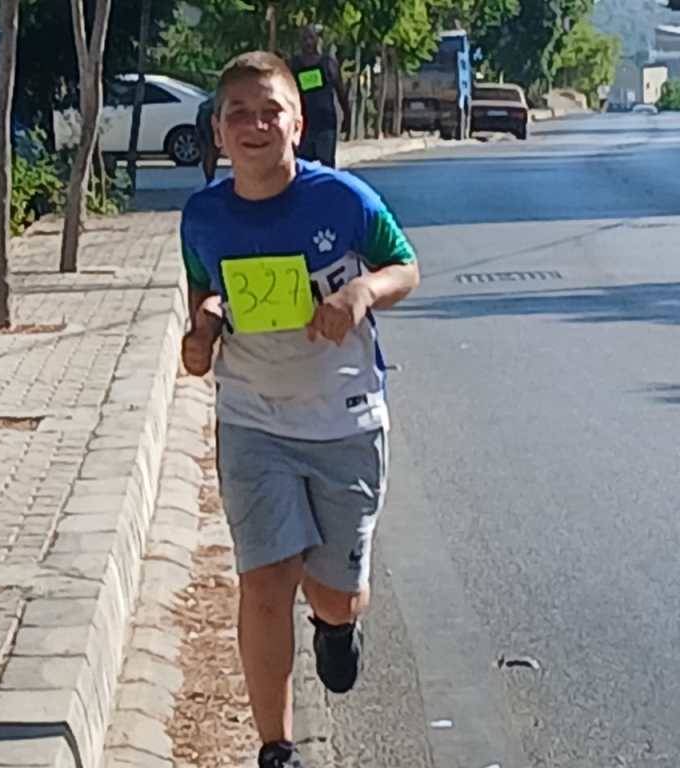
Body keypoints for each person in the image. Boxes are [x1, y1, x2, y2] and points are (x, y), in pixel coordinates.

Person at [179, 51, 419, 768]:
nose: (255, 126)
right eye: (239, 114)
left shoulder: (343, 199)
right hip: (253, 418)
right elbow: (205, 291)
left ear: (297, 124)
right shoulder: (202, 216)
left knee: (334, 593)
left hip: (344, 418)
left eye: (270, 112)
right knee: (263, 582)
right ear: (218, 131)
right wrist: (202, 331)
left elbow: (405, 266)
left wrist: (361, 293)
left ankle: (335, 627)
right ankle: (276, 749)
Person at [289, 25, 349, 167]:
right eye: (304, 39)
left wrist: (347, 116)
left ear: (317, 40)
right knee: (301, 167)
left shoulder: (328, 63)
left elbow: (340, 91)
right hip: (303, 125)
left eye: (311, 38)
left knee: (327, 166)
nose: (308, 42)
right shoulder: (294, 66)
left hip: (325, 123)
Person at [195, 95, 220, 184]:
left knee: (208, 148)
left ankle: (209, 181)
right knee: (210, 149)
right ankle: (210, 181)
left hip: (207, 108)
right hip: (213, 109)